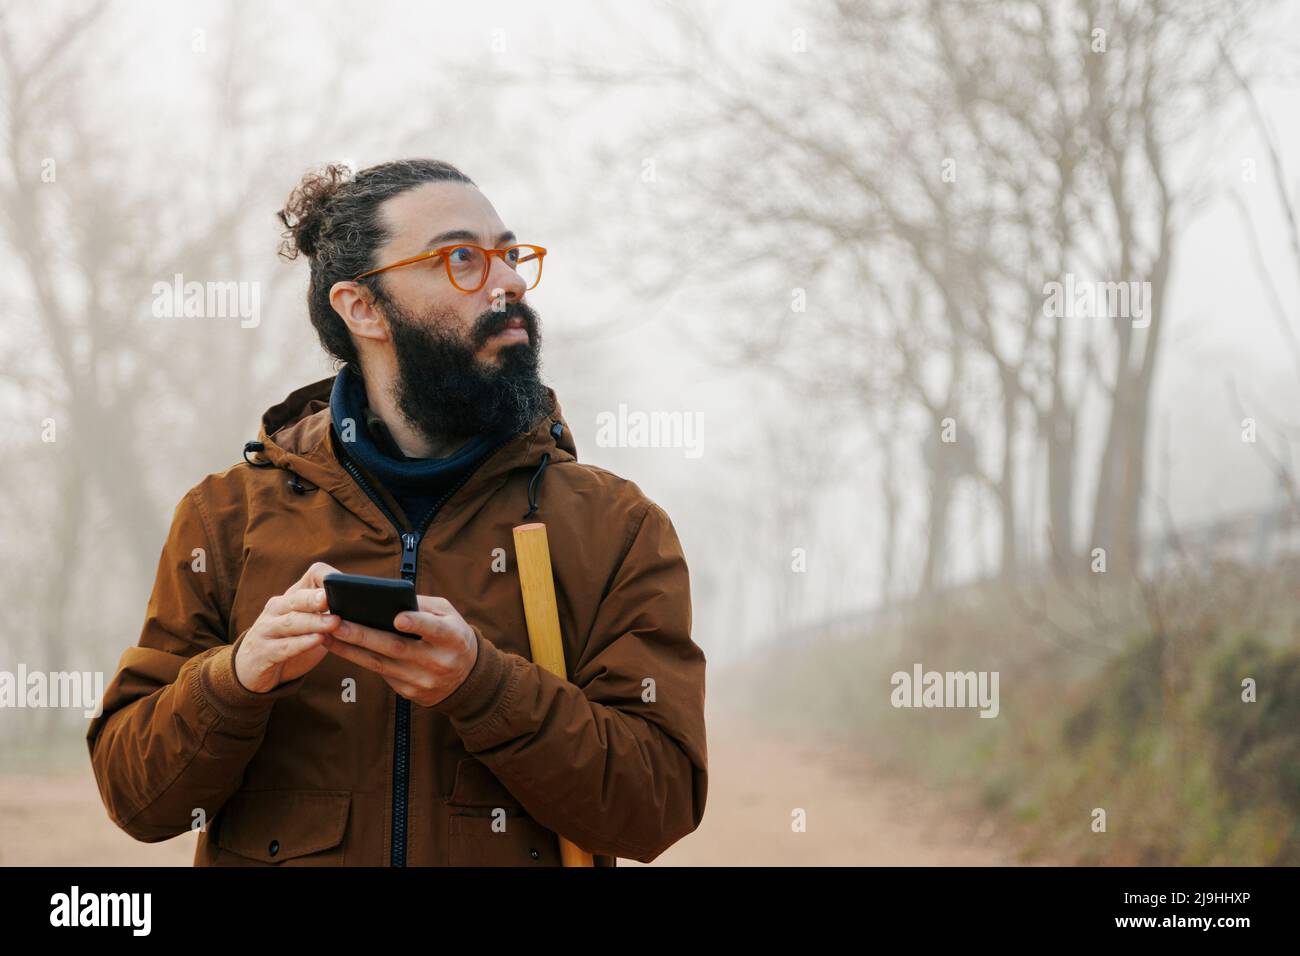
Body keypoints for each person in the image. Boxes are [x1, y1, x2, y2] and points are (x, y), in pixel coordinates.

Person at [86, 159, 708, 866]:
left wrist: (485, 686)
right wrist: (235, 680)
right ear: (363, 308)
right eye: (462, 258)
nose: (506, 281)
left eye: (508, 254)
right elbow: (137, 801)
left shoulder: (617, 526)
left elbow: (658, 807)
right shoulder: (225, 516)